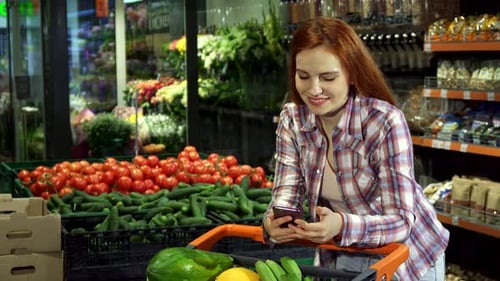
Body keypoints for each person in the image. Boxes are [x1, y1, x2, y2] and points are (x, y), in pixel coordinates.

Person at [263, 17, 449, 281]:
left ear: (351, 73)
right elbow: (286, 194)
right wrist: (274, 223)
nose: (314, 90)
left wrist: (341, 223)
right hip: (340, 250)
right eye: (303, 76)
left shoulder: (383, 121)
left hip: (406, 256)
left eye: (327, 77)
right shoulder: (293, 120)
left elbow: (401, 221)